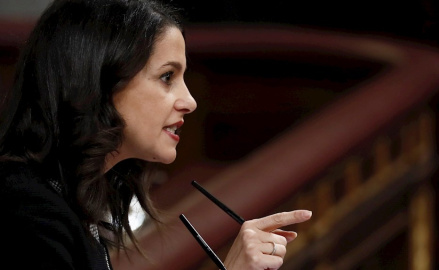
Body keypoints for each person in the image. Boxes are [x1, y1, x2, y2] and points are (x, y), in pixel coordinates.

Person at [0, 0, 312, 269]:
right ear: (98, 82)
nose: (189, 102)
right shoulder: (25, 214)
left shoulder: (68, 198)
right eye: (166, 77)